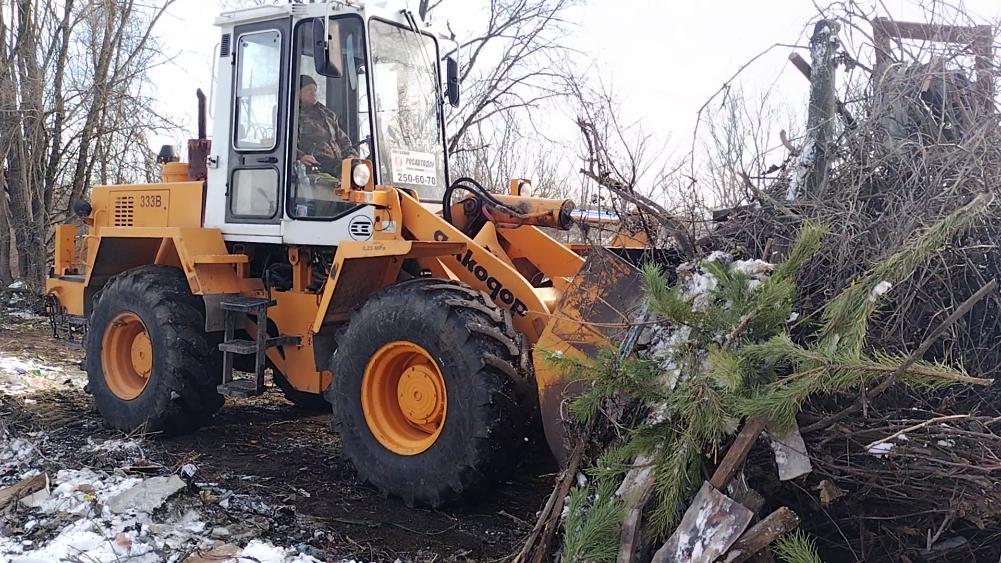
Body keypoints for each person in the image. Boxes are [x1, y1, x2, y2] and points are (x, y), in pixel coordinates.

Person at [297, 75, 356, 173]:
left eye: (315, 90)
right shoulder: (293, 116)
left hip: (336, 166)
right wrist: (301, 157)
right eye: (308, 90)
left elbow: (343, 140)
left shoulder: (328, 114)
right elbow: (287, 145)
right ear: (298, 93)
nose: (313, 93)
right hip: (314, 169)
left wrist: (351, 156)